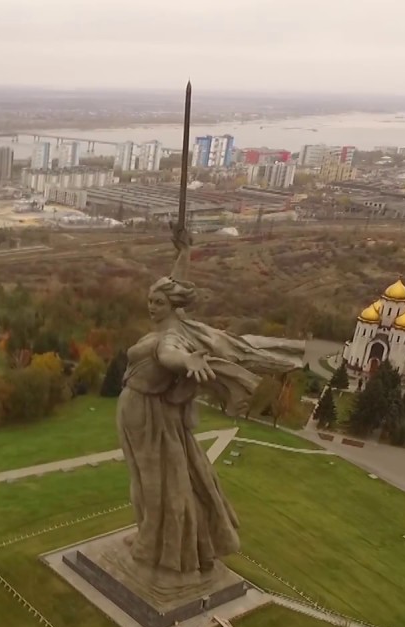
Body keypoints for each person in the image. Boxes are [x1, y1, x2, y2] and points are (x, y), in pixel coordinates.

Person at [118, 226, 301, 574]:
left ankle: (155, 543)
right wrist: (184, 253)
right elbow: (177, 286)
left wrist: (187, 362)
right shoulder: (177, 325)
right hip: (144, 410)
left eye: (158, 303)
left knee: (154, 481)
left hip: (148, 412)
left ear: (172, 307)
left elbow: (170, 355)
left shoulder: (171, 338)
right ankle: (151, 535)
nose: (151, 307)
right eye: (151, 301)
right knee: (151, 477)